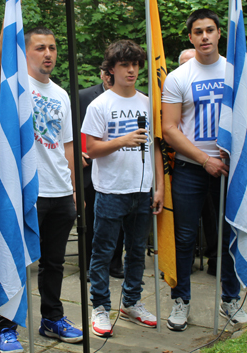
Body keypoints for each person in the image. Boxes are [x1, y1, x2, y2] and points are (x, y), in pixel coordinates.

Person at [162, 9, 247, 331]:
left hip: (230, 170)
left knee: (229, 232)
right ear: (190, 37)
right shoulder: (179, 77)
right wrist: (205, 159)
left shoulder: (240, 73)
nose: (204, 36)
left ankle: (230, 300)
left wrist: (236, 148)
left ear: (220, 33)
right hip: (192, 170)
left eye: (210, 30)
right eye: (198, 32)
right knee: (185, 237)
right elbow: (170, 129)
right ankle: (181, 300)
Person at [0, 26, 83, 352]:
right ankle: (5, 327)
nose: (48, 54)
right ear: (25, 52)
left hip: (60, 191)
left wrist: (74, 189)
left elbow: (68, 145)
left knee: (54, 264)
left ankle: (52, 319)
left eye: (53, 48)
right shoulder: (14, 86)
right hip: (27, 190)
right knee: (16, 260)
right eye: (40, 48)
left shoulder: (61, 94)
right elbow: (2, 57)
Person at [82, 40, 164, 337]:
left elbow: (155, 147)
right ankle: (100, 307)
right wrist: (121, 140)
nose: (131, 70)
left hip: (142, 190)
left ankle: (131, 302)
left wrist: (159, 187)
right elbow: (90, 149)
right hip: (110, 191)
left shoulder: (147, 102)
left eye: (135, 65)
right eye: (124, 65)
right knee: (103, 252)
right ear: (111, 70)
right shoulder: (99, 105)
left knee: (138, 251)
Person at [80, 69, 124, 280]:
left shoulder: (130, 97)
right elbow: (73, 128)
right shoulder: (83, 97)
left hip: (117, 167)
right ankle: (88, 265)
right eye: (106, 73)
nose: (109, 77)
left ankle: (116, 264)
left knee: (119, 221)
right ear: (101, 74)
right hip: (89, 165)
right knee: (90, 221)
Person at [179, 47, 218, 277]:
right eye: (185, 63)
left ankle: (215, 261)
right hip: (184, 166)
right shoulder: (175, 85)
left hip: (215, 164)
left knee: (213, 219)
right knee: (184, 230)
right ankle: (186, 266)